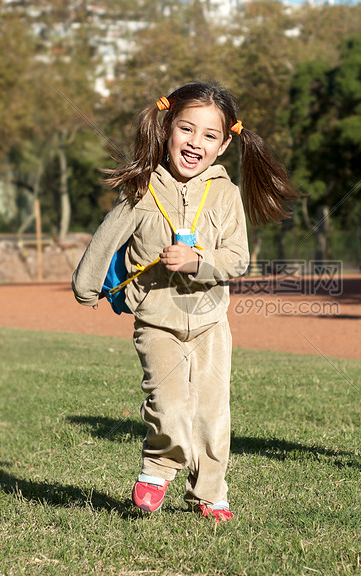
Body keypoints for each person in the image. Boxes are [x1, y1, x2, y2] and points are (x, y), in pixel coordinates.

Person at [72, 82, 297, 521]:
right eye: (186, 129)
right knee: (170, 404)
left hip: (211, 322)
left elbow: (238, 259)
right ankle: (157, 468)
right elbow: (105, 240)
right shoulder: (141, 189)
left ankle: (210, 494)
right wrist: (86, 287)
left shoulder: (226, 194)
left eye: (209, 135)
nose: (196, 143)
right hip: (156, 320)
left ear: (225, 143)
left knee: (213, 415)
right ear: (166, 128)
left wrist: (198, 261)